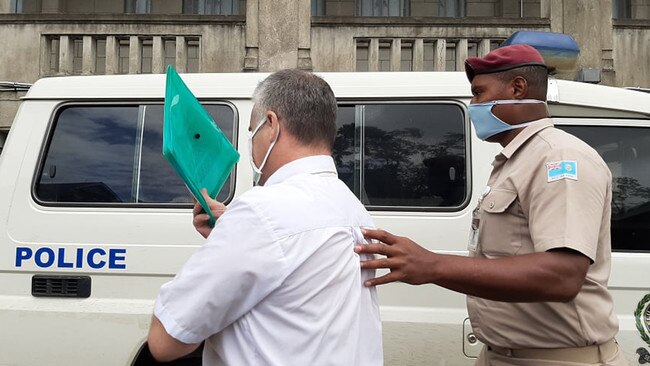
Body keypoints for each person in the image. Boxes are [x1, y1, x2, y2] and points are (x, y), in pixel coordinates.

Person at [355, 44, 627, 365]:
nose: (473, 106)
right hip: (503, 354)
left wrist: (433, 265)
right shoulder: (514, 162)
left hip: (556, 358)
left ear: (517, 88)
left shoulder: (558, 158)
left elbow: (562, 276)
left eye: (479, 93)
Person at [148, 69, 383, 365]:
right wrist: (231, 233)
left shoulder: (262, 213)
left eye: (251, 130)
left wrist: (234, 234)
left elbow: (166, 340)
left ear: (271, 124)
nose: (252, 141)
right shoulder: (353, 209)